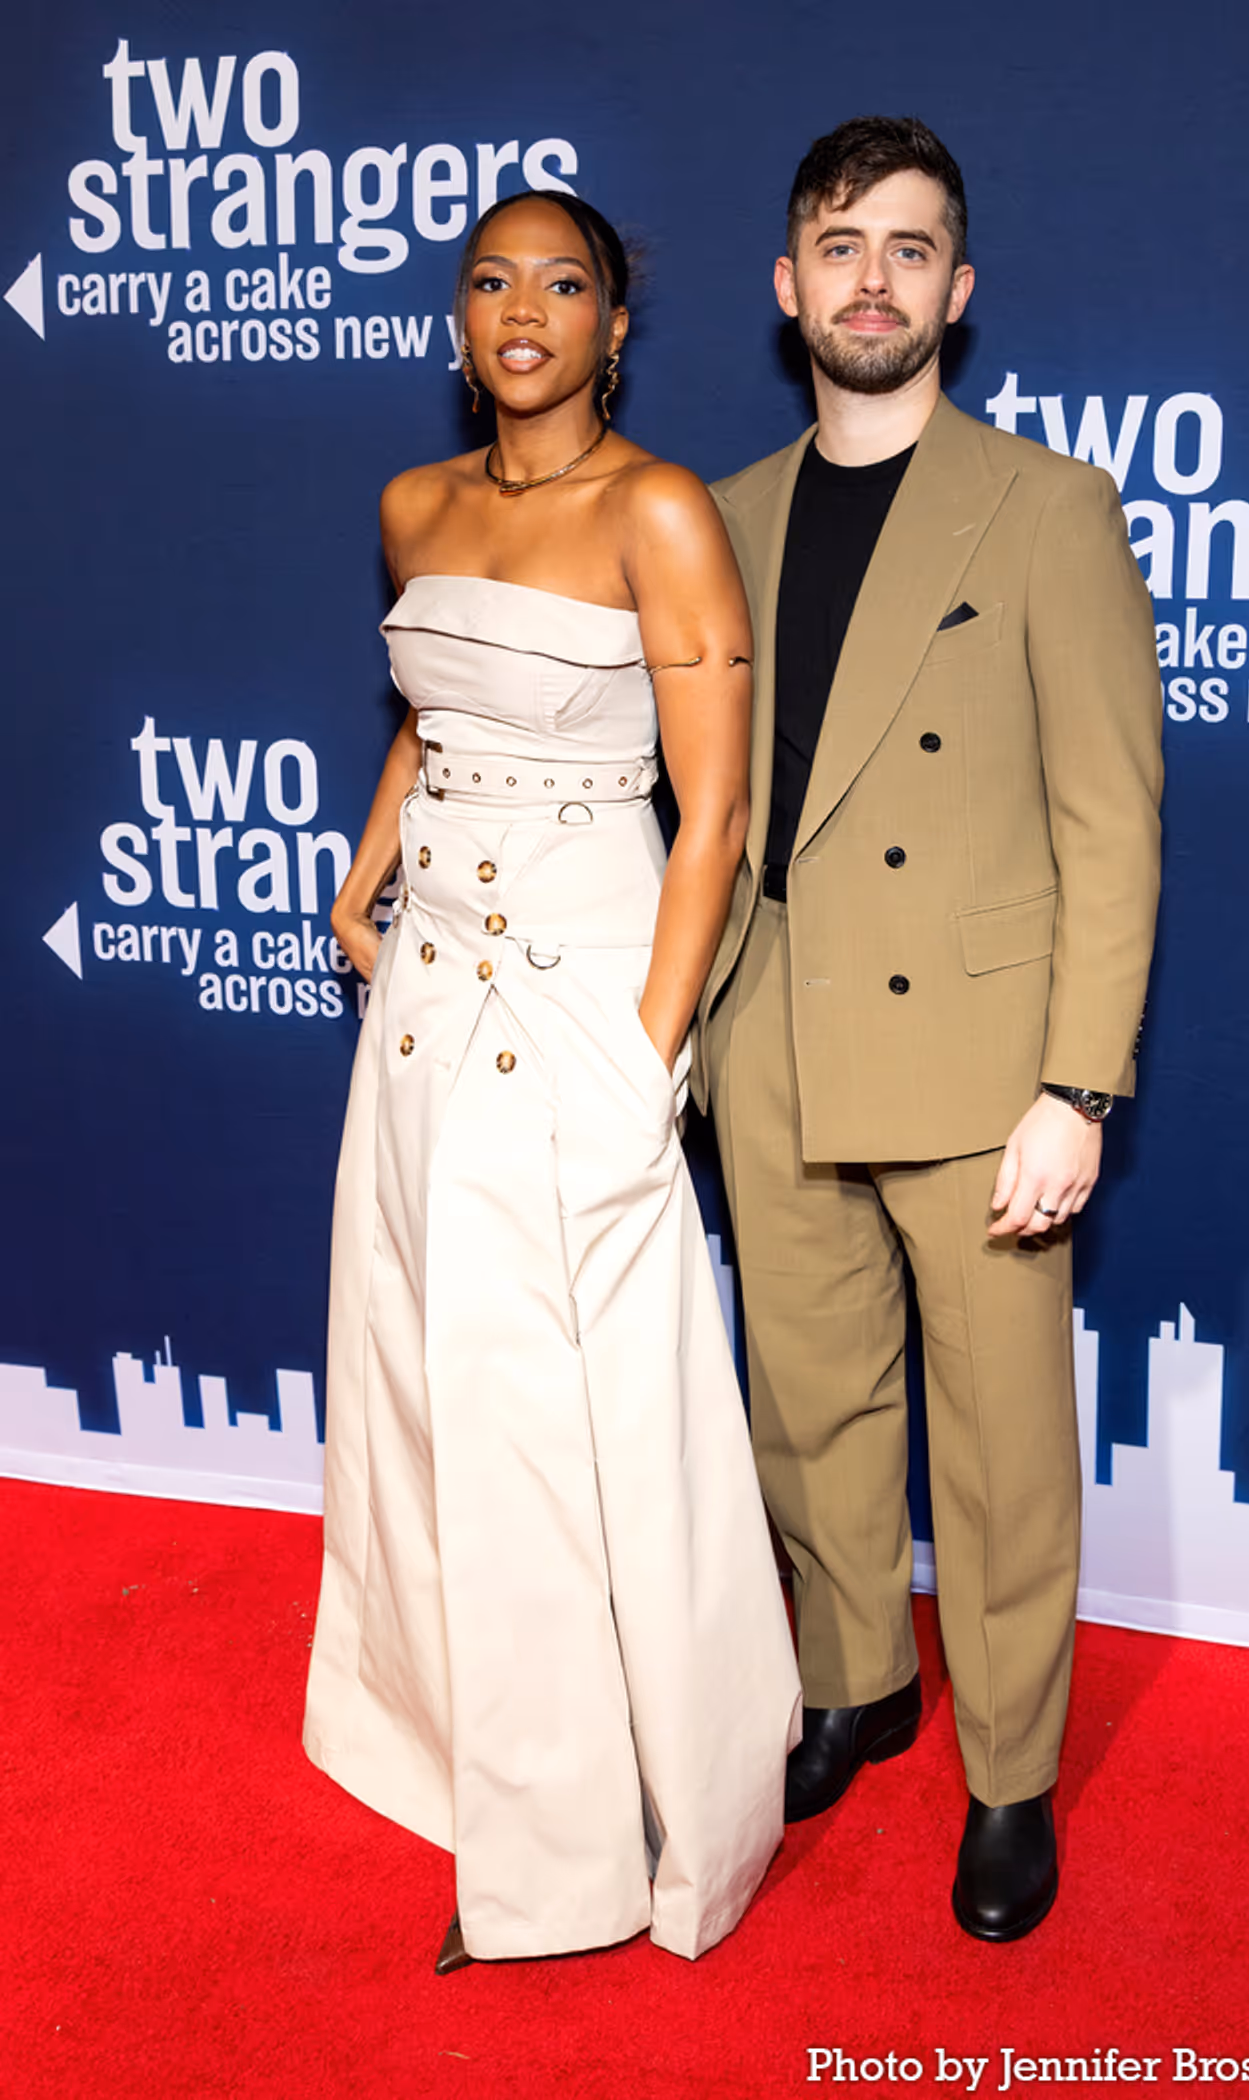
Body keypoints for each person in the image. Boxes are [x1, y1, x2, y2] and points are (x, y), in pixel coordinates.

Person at [302, 189, 801, 1973]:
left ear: (615, 322)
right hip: (427, 1004)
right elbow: (431, 717)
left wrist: (644, 1062)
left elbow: (713, 815)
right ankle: (485, 1772)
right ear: (457, 321)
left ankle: (602, 1842)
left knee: (581, 1429)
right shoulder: (413, 507)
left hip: (581, 1006)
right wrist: (368, 870)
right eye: (491, 281)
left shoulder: (661, 512)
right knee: (442, 1397)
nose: (525, 310)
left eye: (563, 283)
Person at [694, 116, 1163, 1942]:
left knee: (997, 1449)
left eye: (907, 245)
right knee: (808, 1413)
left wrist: (1078, 1083)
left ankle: (1013, 1778)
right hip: (776, 1027)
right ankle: (857, 1684)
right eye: (837, 243)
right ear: (788, 285)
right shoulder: (716, 517)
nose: (869, 275)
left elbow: (1110, 818)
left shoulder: (1047, 507)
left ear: (956, 292)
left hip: (982, 1063)